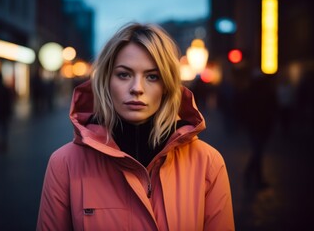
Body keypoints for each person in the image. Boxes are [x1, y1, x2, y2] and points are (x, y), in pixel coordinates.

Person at [37, 23, 234, 230]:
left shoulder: (207, 163)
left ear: (167, 86)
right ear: (106, 81)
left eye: (152, 76)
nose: (137, 88)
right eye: (124, 74)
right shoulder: (65, 164)